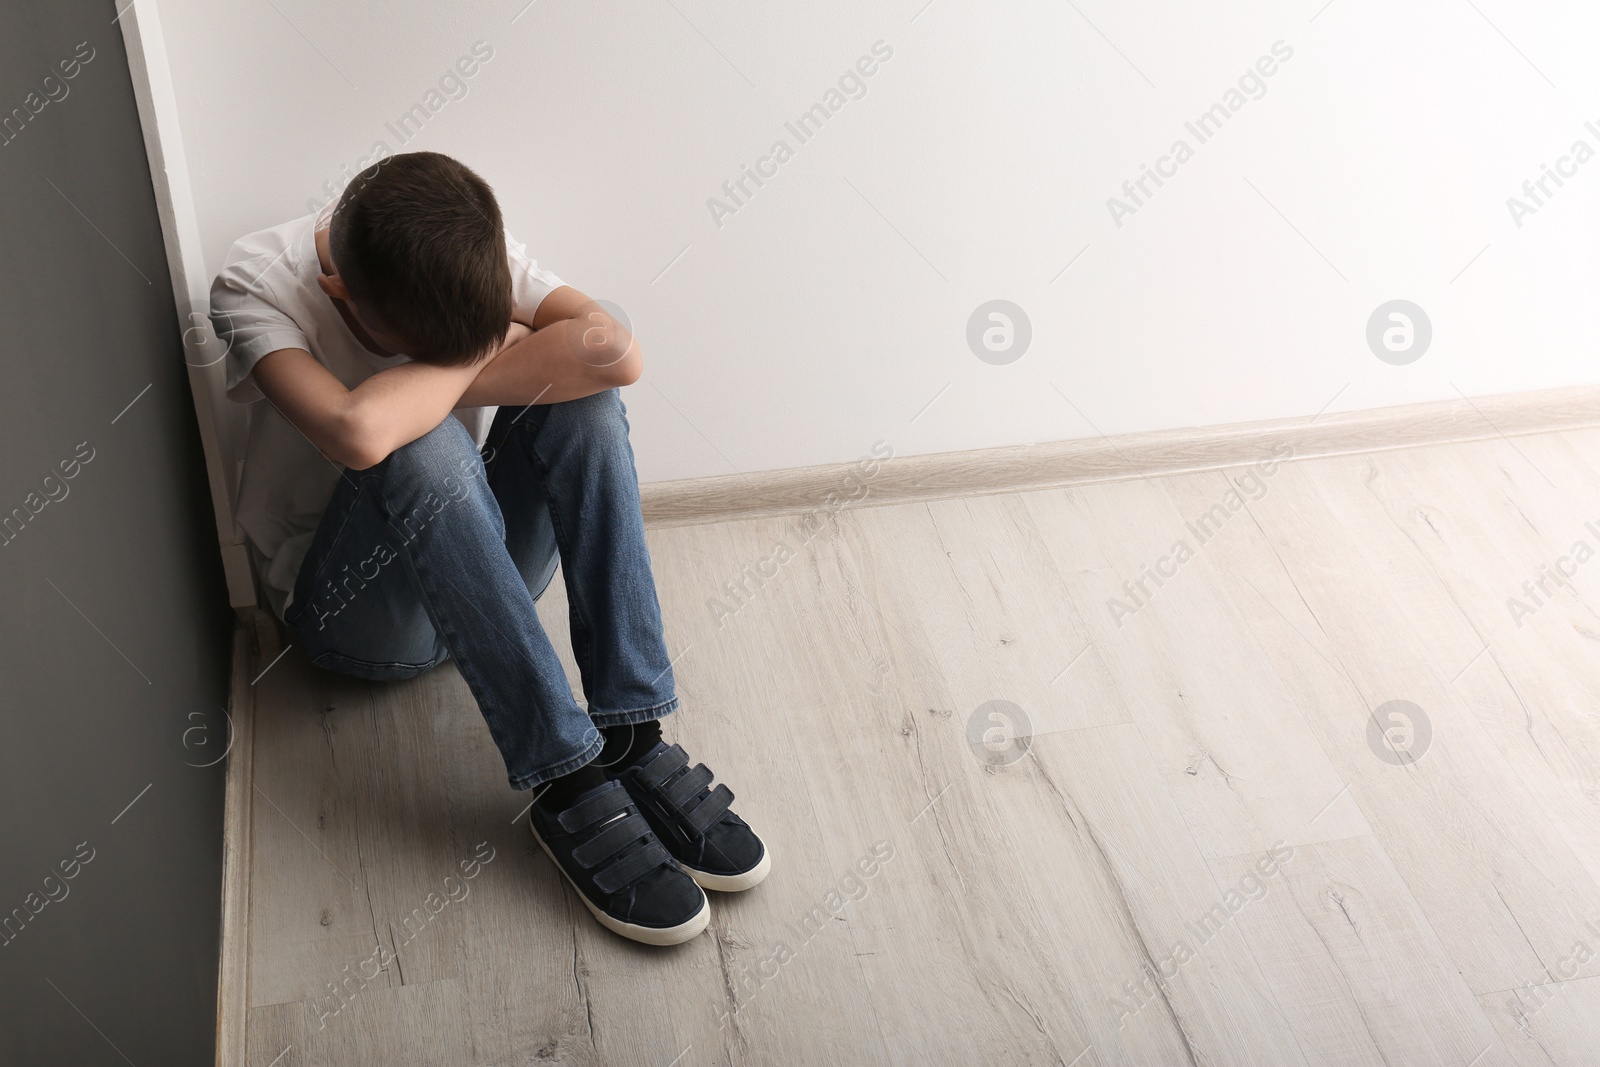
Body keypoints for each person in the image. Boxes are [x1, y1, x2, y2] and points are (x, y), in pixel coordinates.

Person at [209, 151, 768, 946]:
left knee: (585, 404)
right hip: (352, 615)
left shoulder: (458, 247)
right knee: (416, 445)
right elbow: (359, 429)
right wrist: (488, 345)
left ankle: (632, 730)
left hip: (482, 570)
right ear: (340, 293)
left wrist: (450, 366)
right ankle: (566, 775)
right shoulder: (254, 283)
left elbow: (614, 349)